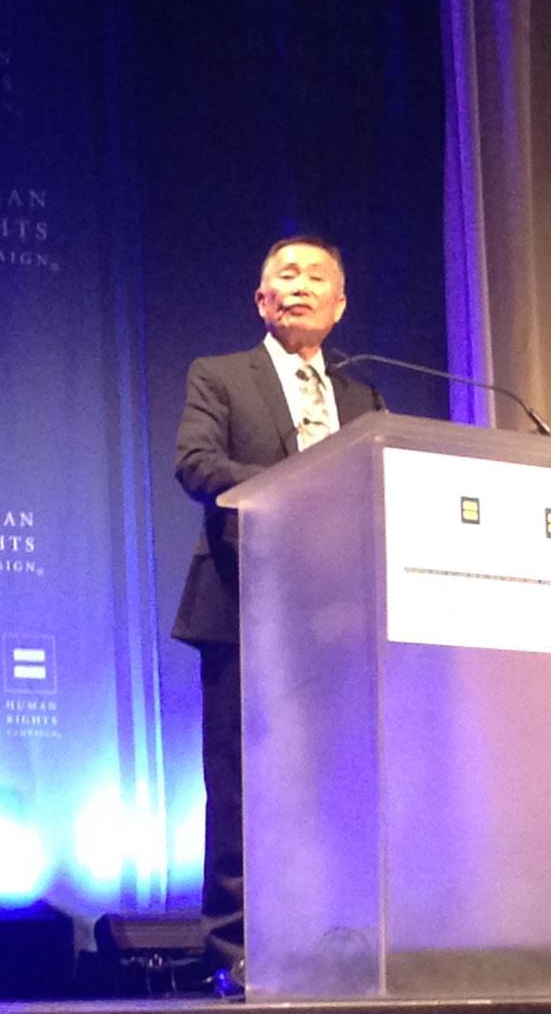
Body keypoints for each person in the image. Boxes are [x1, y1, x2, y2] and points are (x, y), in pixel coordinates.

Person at [172, 235, 385, 980]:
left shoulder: (364, 400)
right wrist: (297, 491)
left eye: (315, 276)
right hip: (241, 605)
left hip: (337, 618)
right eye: (284, 276)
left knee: (335, 785)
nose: (299, 286)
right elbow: (196, 463)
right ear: (262, 299)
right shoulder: (221, 376)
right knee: (239, 788)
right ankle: (236, 951)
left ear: (339, 304)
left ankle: (332, 941)